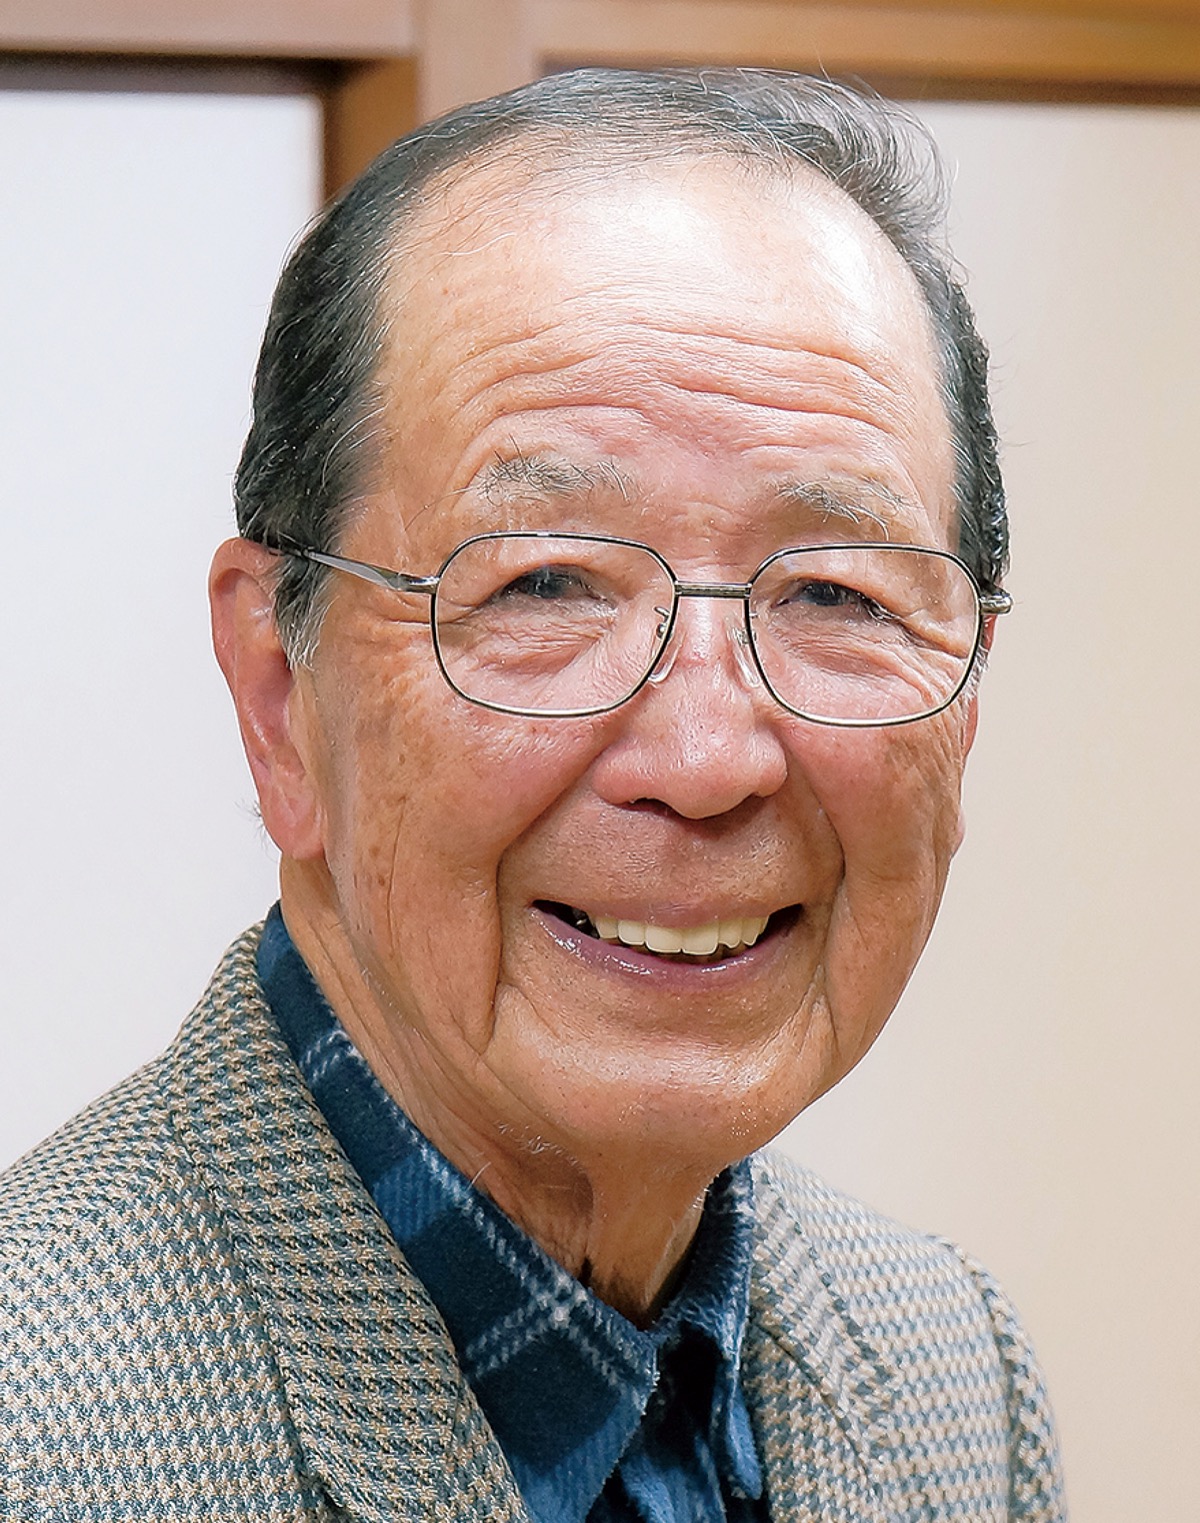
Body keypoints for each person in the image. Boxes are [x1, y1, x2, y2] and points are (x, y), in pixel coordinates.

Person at [0, 68, 1066, 1521]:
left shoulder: (951, 1372)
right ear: (278, 693)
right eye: (546, 585)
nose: (708, 761)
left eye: (838, 594)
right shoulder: (40, 1436)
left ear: (970, 692)